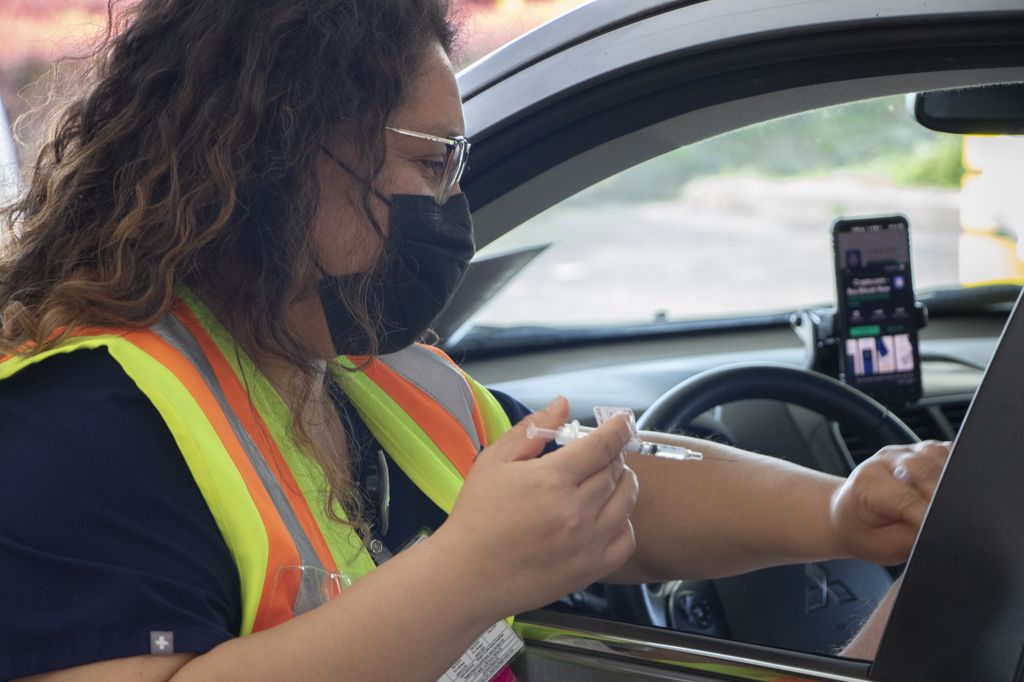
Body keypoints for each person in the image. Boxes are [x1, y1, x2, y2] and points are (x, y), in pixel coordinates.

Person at [0, 1, 949, 680]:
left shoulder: (367, 367)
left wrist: (834, 513)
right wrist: (467, 573)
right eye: (431, 161)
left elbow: (604, 491)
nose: (451, 205)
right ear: (282, 152)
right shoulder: (77, 420)